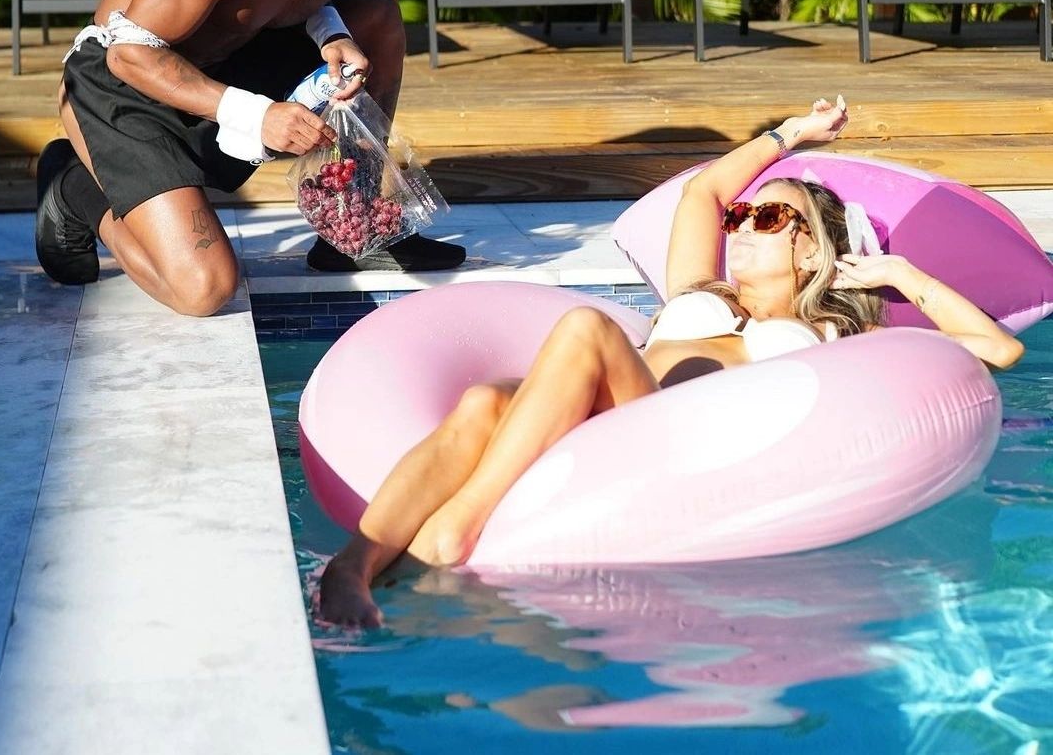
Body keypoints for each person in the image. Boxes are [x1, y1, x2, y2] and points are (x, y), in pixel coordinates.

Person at [318, 94, 1024, 627]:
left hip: (661, 439)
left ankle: (452, 529)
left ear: (812, 250)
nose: (742, 226)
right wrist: (791, 136)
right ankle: (353, 567)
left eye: (770, 219)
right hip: (594, 413)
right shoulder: (698, 291)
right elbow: (704, 190)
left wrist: (902, 276)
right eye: (742, 220)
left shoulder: (841, 344)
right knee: (484, 402)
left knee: (588, 329)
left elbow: (998, 349)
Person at [35, 0, 465, 316]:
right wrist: (260, 115)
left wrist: (331, 35)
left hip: (214, 68)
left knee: (377, 19)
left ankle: (354, 230)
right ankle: (77, 190)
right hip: (116, 84)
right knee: (205, 289)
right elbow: (129, 53)